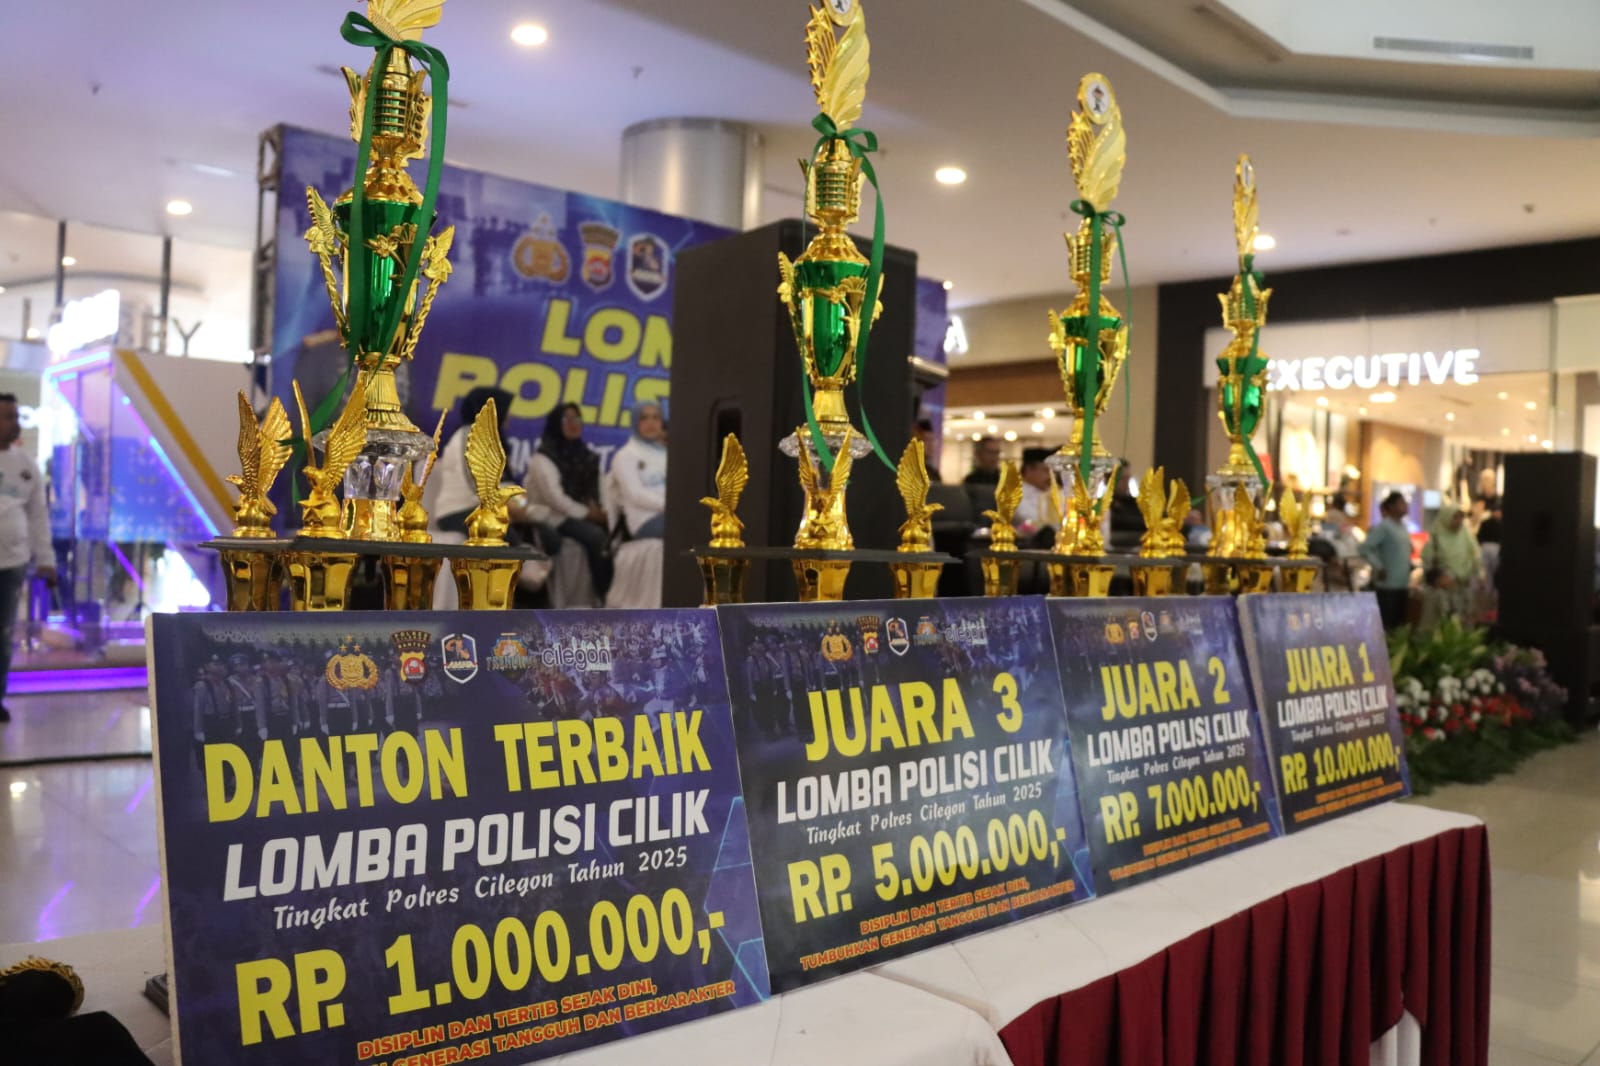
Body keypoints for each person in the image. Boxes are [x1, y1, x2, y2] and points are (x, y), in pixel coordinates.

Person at [0, 394, 54, 722]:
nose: (14, 422)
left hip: (12, 564)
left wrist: (46, 559)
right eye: (7, 416)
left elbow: (38, 516)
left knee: (3, 633)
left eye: (16, 415)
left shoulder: (26, 465)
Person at [525, 402, 613, 601]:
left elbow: (602, 489)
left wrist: (605, 512)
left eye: (577, 418)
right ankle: (605, 595)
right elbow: (556, 499)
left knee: (615, 533)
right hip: (553, 516)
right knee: (597, 537)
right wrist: (589, 514)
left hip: (583, 514)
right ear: (556, 423)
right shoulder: (544, 458)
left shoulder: (587, 456)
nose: (574, 424)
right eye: (567, 419)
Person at [609, 402, 666, 540]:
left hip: (671, 514)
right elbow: (635, 494)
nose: (651, 423)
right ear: (635, 422)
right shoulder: (625, 455)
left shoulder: (666, 453)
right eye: (644, 418)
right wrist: (670, 505)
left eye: (655, 417)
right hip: (645, 521)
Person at [1420, 502, 1481, 628]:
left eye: (1460, 517)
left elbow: (1474, 557)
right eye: (1455, 517)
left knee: (1462, 626)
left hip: (1463, 590)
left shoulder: (1465, 536)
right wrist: (1439, 579)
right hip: (1442, 594)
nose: (1458, 521)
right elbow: (1427, 565)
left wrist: (1477, 575)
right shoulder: (1436, 538)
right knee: (1439, 626)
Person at [1359, 491, 1414, 630]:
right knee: (1386, 625)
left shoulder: (1403, 526)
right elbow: (1365, 548)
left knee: (1399, 626)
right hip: (1387, 586)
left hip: (1403, 584)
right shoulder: (1384, 526)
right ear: (1391, 506)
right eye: (1401, 503)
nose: (1405, 506)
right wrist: (1379, 566)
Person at [1014, 447, 1058, 546]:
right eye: (1046, 470)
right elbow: (1027, 520)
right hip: (1026, 546)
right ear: (1029, 470)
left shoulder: (1053, 493)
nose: (1051, 476)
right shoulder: (1015, 493)